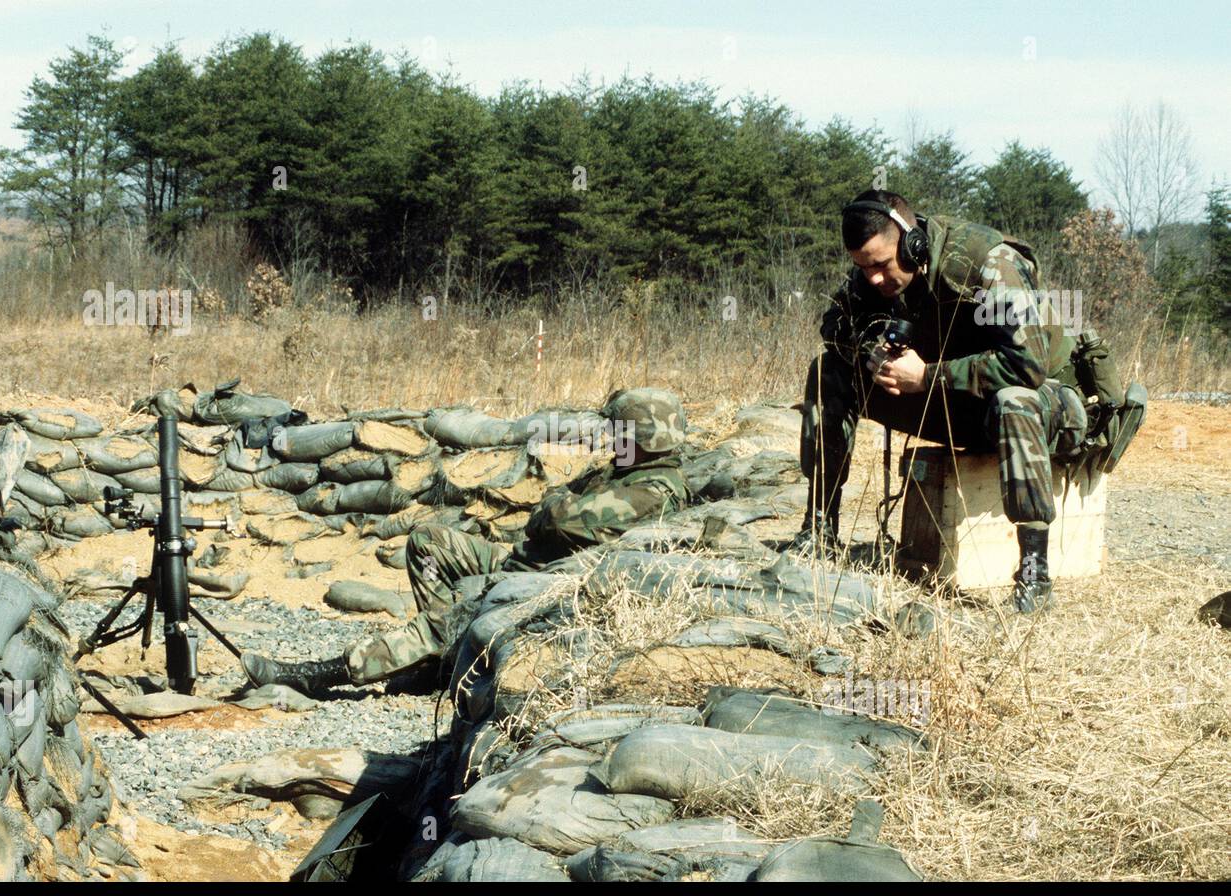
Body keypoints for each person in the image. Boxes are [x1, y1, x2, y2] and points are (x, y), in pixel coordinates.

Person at [241, 387, 691, 694]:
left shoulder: (646, 494)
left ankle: (322, 674)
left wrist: (553, 501)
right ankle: (444, 660)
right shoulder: (629, 473)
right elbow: (554, 517)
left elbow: (555, 518)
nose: (608, 437)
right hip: (523, 562)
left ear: (639, 437)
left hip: (543, 584)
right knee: (428, 543)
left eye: (617, 430)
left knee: (448, 619)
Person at [797, 189, 1089, 613]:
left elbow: (1027, 367)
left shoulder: (988, 263)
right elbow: (835, 328)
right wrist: (872, 353)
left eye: (881, 264)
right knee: (828, 370)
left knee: (1013, 400)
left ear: (911, 241)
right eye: (863, 268)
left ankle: (1034, 573)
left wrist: (928, 375)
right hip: (956, 402)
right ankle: (819, 527)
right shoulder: (871, 275)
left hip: (1044, 405)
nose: (875, 279)